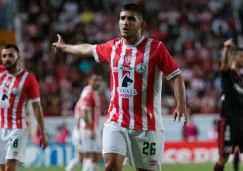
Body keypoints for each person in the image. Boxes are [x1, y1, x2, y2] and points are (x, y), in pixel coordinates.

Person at [53, 3, 187, 171]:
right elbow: (88, 49)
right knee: (110, 166)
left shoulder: (156, 49)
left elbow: (176, 75)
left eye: (131, 19)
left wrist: (181, 104)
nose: (125, 22)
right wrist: (65, 47)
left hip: (147, 126)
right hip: (116, 121)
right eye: (122, 18)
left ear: (141, 24)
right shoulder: (113, 47)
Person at [0, 44, 48, 171]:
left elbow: (37, 107)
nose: (7, 59)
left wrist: (43, 132)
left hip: (17, 129)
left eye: (11, 55)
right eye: (4, 56)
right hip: (1, 128)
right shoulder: (1, 73)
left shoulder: (29, 79)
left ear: (18, 58)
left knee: (9, 168)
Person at [214, 39, 243, 171]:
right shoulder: (228, 75)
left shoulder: (241, 79)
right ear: (234, 57)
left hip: (241, 121)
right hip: (228, 121)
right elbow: (224, 66)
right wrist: (226, 49)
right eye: (241, 56)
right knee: (223, 157)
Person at [78, 73, 103, 171]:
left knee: (95, 155)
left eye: (98, 80)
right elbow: (84, 112)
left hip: (93, 126)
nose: (97, 82)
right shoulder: (88, 93)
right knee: (94, 155)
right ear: (89, 80)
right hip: (89, 128)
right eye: (94, 80)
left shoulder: (93, 92)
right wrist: (91, 129)